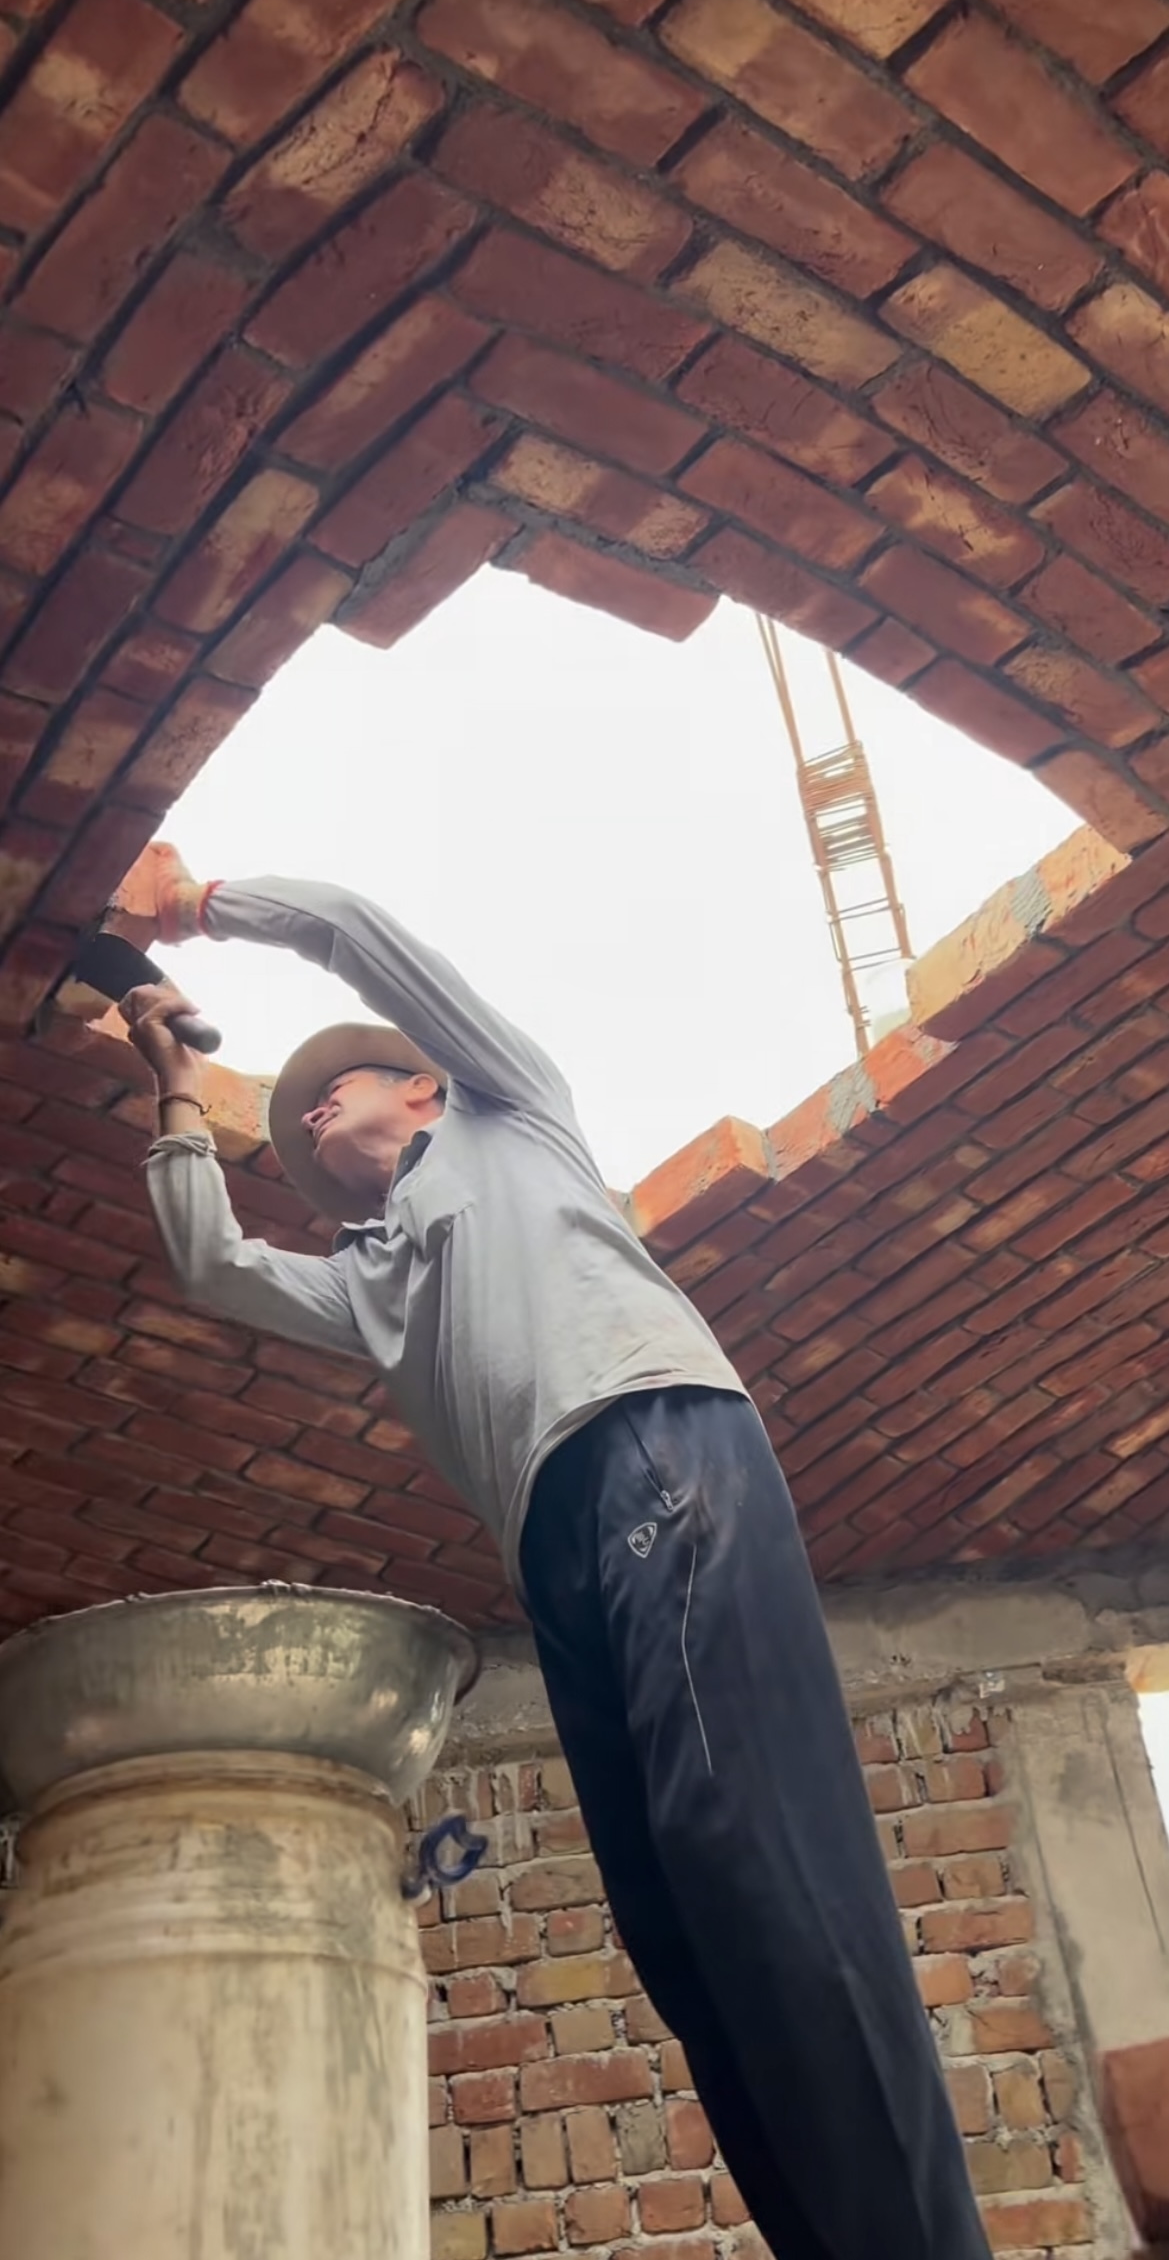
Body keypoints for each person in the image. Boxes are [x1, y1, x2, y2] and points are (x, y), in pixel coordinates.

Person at [121, 845, 991, 2260]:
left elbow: (352, 928)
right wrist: (167, 1076)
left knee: (754, 1855)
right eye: (293, 1108)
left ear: (427, 1086)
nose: (312, 1097)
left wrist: (195, 905)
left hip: (660, 1448)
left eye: (343, 1077)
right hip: (560, 1555)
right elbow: (209, 1262)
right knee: (680, 1928)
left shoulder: (511, 1114)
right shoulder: (368, 1277)